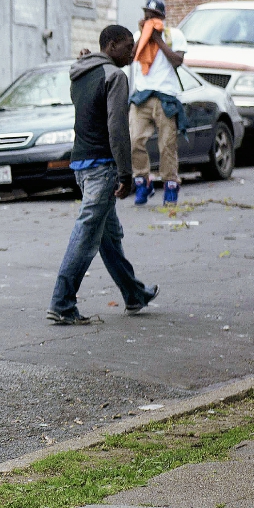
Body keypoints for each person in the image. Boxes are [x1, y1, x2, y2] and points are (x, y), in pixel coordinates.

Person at [48, 26, 158, 325]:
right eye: (128, 46)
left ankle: (135, 294)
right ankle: (62, 303)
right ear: (111, 46)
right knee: (86, 234)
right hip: (102, 166)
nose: (133, 52)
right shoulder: (115, 76)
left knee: (108, 236)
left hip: (81, 164)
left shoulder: (80, 72)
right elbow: (117, 127)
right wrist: (126, 172)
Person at [129, 0, 187, 206]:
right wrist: (143, 37)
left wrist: (158, 39)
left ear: (162, 17)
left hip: (165, 96)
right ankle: (143, 181)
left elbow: (177, 61)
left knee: (167, 145)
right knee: (135, 140)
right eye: (147, 15)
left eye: (154, 16)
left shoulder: (175, 35)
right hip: (142, 94)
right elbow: (131, 57)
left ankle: (170, 184)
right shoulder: (138, 34)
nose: (149, 19)